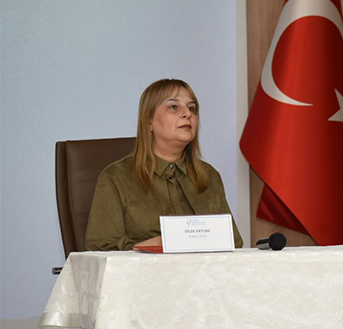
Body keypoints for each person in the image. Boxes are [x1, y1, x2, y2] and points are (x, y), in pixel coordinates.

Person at [85, 79, 243, 250]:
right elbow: (100, 249)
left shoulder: (209, 176)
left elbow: (233, 244)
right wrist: (155, 245)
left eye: (192, 108)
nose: (187, 114)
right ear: (149, 120)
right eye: (174, 107)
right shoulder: (116, 177)